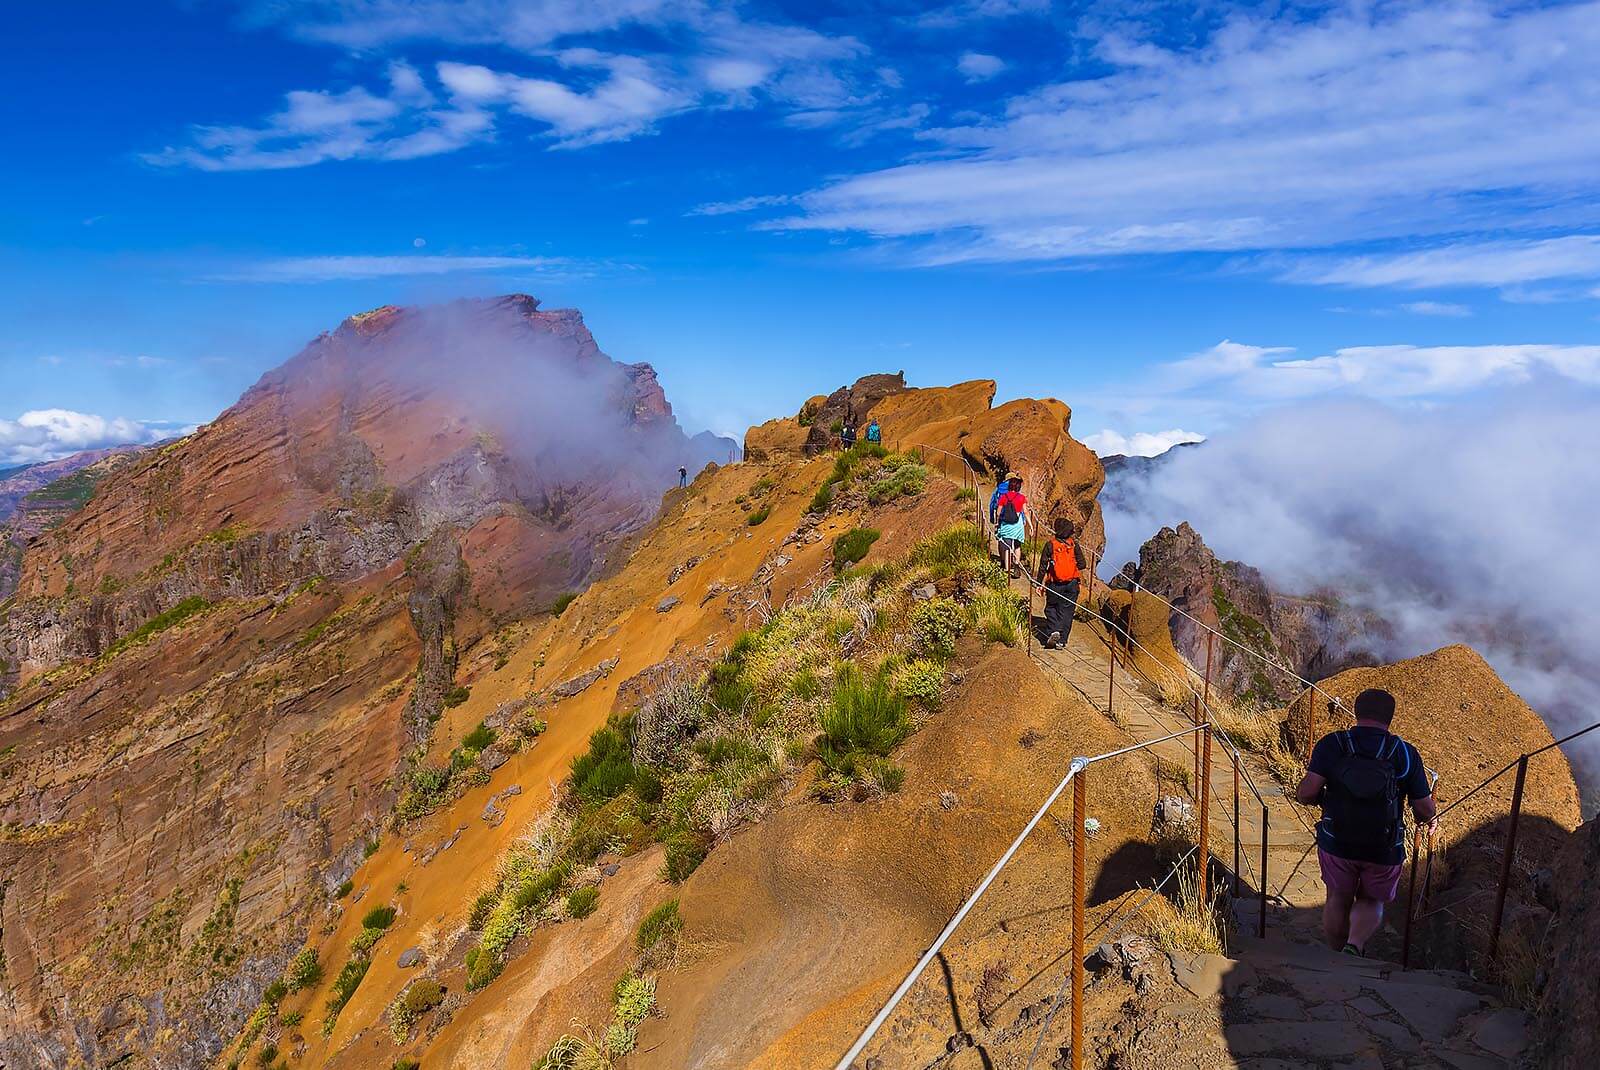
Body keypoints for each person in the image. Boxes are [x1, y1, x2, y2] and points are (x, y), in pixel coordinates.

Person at [1295, 688, 1437, 956]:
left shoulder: (1332, 744)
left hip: (1336, 841)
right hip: (1384, 847)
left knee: (1338, 897)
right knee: (1371, 899)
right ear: (1390, 718)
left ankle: (1336, 954)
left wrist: (1315, 799)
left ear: (1357, 711)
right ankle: (1355, 946)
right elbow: (1424, 806)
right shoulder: (1405, 754)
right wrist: (1430, 819)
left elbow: (1307, 792)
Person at [1035, 517, 1085, 649]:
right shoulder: (1073, 545)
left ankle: (1054, 630)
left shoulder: (1050, 545)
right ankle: (1062, 641)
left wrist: (1038, 583)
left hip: (1055, 584)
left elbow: (1042, 566)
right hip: (1072, 584)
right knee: (1067, 612)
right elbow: (1082, 564)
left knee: (1051, 607)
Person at [994, 473, 1028, 578]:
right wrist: (1030, 525)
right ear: (1018, 487)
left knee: (1007, 547)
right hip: (1018, 525)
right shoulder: (1022, 497)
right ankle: (1016, 566)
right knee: (1017, 546)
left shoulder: (1004, 496)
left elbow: (998, 512)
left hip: (1006, 525)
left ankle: (1007, 570)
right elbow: (1026, 512)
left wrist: (997, 522)